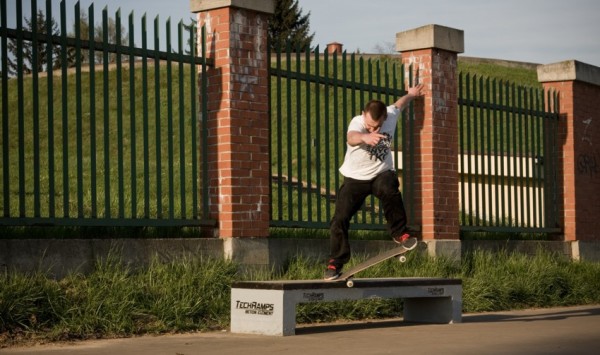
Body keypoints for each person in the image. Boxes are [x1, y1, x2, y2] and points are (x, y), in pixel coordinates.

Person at [324, 84, 424, 280]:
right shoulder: (357, 122)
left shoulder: (390, 114)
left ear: (384, 118)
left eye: (376, 126)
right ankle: (335, 262)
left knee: (389, 187)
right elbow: (351, 137)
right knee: (339, 219)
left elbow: (399, 104)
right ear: (363, 115)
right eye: (369, 124)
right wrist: (364, 136)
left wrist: (411, 95)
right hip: (355, 178)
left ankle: (399, 233)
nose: (373, 128)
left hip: (380, 173)